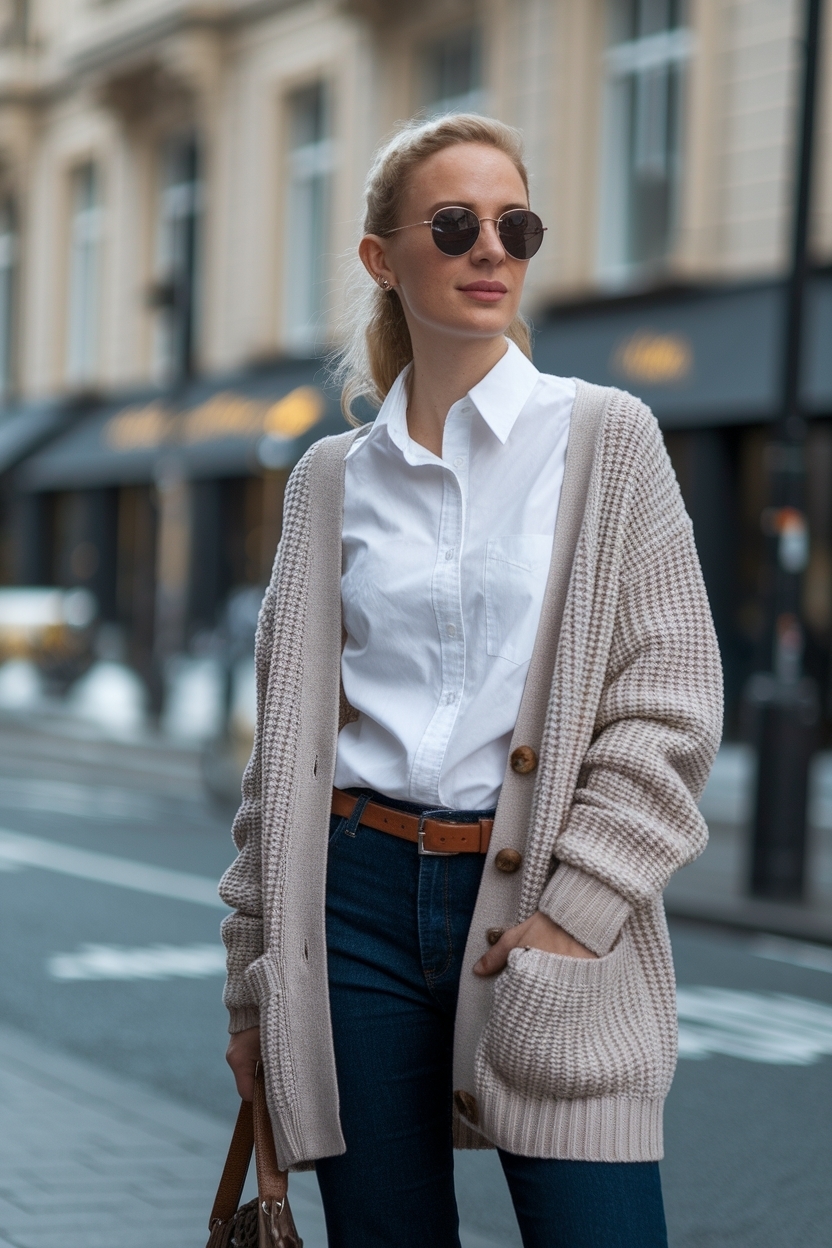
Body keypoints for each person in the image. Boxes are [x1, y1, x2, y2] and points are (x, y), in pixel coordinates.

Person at [220, 113, 723, 1248]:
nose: (491, 248)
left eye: (515, 225)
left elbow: (673, 699)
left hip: (541, 890)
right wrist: (255, 988)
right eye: (454, 225)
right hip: (349, 909)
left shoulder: (608, 439)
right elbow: (279, 762)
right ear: (381, 258)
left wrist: (576, 912)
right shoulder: (329, 480)